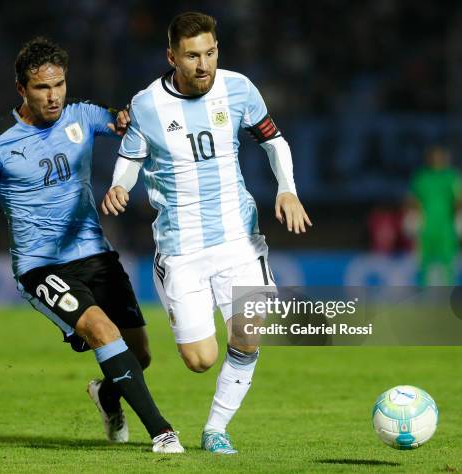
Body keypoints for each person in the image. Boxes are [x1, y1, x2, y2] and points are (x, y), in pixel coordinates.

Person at [0, 36, 184, 454]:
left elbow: (121, 120)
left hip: (95, 253)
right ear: (21, 89)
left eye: (59, 84)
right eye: (42, 88)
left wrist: (127, 115)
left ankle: (106, 396)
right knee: (102, 330)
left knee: (140, 356)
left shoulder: (82, 116)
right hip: (42, 268)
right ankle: (164, 434)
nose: (54, 95)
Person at [102, 12, 311, 454]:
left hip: (238, 237)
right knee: (201, 360)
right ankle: (107, 392)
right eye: (193, 56)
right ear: (172, 56)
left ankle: (216, 429)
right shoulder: (146, 105)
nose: (204, 65)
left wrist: (288, 190)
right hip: (181, 247)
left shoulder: (239, 89)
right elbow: (132, 155)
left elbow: (274, 141)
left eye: (211, 53)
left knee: (249, 330)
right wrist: (120, 184)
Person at [405, 145, 462, 285]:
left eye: (440, 156)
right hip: (425, 228)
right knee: (423, 262)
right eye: (434, 156)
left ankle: (448, 295)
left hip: (446, 228)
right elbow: (412, 198)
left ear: (445, 158)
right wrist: (412, 216)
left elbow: (461, 198)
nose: (437, 159)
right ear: (429, 158)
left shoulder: (452, 176)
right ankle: (423, 294)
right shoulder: (421, 176)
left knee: (448, 262)